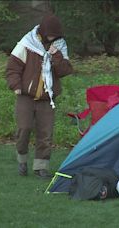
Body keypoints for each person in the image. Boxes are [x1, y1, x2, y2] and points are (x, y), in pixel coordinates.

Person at [6, 14, 73, 179]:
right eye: (50, 35)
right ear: (43, 32)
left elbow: (65, 71)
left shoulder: (60, 46)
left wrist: (56, 55)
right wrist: (16, 86)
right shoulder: (26, 44)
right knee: (24, 129)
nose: (52, 38)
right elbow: (12, 68)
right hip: (25, 96)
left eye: (55, 36)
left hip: (47, 98)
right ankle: (22, 161)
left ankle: (41, 168)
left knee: (45, 134)